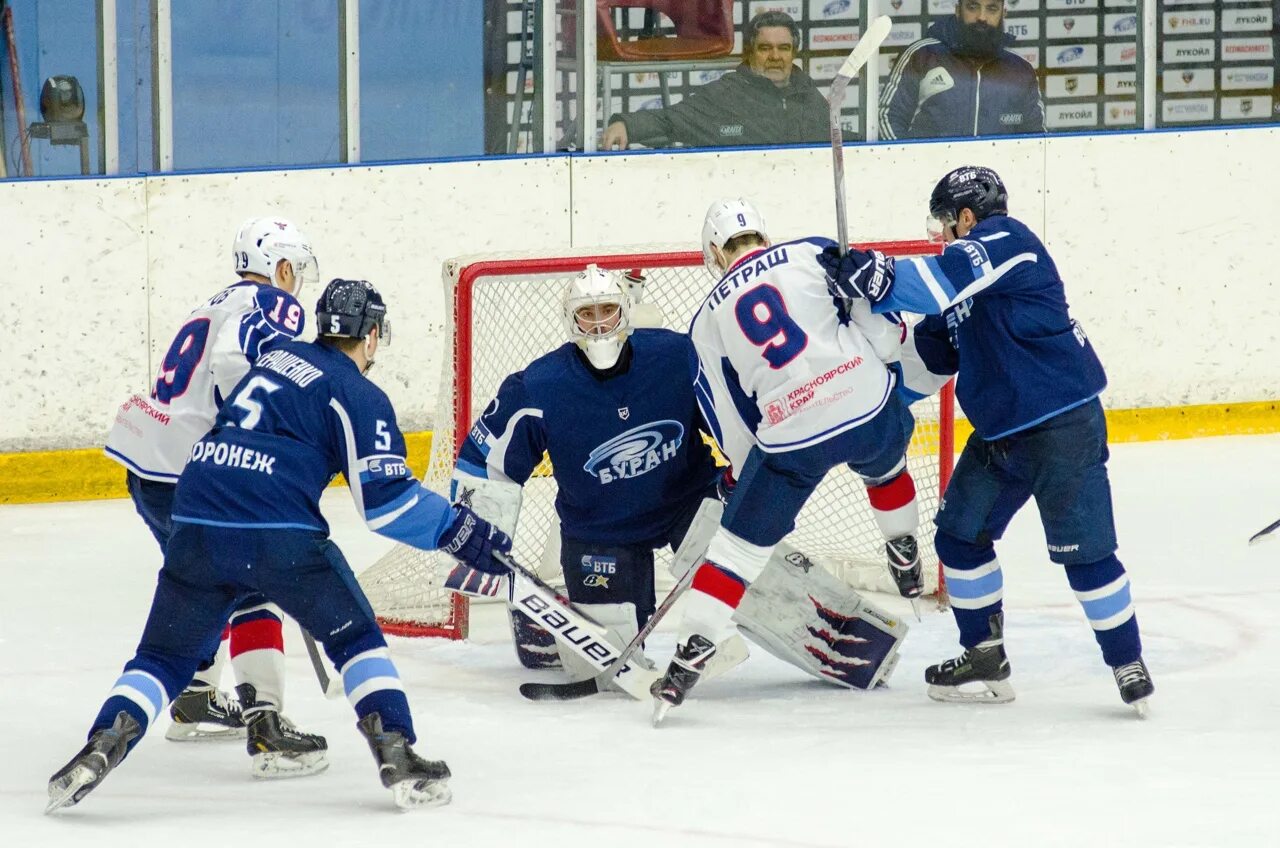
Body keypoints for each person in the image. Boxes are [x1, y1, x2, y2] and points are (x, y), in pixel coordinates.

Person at [47, 279, 514, 814]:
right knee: (357, 639)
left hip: (196, 516)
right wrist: (460, 531)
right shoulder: (359, 393)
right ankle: (398, 754)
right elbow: (387, 504)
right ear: (375, 334)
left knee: (160, 658)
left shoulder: (277, 357)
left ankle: (101, 745)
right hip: (278, 533)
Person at [818, 165, 1155, 715]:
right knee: (958, 538)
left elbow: (933, 282)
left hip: (1061, 426)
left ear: (967, 217)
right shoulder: (961, 286)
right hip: (1000, 436)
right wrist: (856, 406)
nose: (939, 234)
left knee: (1086, 555)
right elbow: (925, 365)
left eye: (944, 223)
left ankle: (1127, 661)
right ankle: (984, 657)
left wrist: (875, 276)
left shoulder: (1007, 240)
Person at [650, 198, 923, 724]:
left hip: (793, 437)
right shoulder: (814, 251)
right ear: (762, 233)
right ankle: (903, 547)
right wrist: (875, 361)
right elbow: (883, 329)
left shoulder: (706, 318)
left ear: (713, 250)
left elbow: (726, 414)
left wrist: (741, 474)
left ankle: (688, 658)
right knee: (885, 465)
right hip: (867, 406)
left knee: (734, 552)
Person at [103, 216, 326, 767]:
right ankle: (266, 722)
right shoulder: (274, 302)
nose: (295, 282)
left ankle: (198, 696)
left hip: (150, 466)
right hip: (197, 471)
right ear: (278, 266)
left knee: (205, 581)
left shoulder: (215, 301)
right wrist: (250, 439)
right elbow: (233, 362)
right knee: (256, 586)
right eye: (293, 269)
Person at [446, 265, 721, 675]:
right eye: (586, 313)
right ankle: (547, 628)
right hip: (599, 529)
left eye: (607, 309)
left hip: (687, 502)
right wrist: (477, 546)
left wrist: (748, 477)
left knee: (757, 591)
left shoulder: (676, 356)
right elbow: (485, 465)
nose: (598, 323)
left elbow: (732, 413)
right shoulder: (539, 386)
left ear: (626, 311)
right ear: (569, 319)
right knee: (600, 668)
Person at [600, 11, 828, 150]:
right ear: (749, 52)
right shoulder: (725, 94)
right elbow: (669, 120)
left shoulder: (809, 95)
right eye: (765, 48)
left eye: (784, 48)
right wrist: (626, 125)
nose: (775, 57)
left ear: (794, 53)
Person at [879, 0, 1044, 140]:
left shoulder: (1021, 70)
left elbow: (1036, 139)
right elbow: (886, 119)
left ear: (1003, 14)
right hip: (930, 176)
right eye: (973, 7)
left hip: (994, 177)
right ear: (958, 11)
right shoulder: (922, 56)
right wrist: (914, 168)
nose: (982, 17)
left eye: (992, 9)